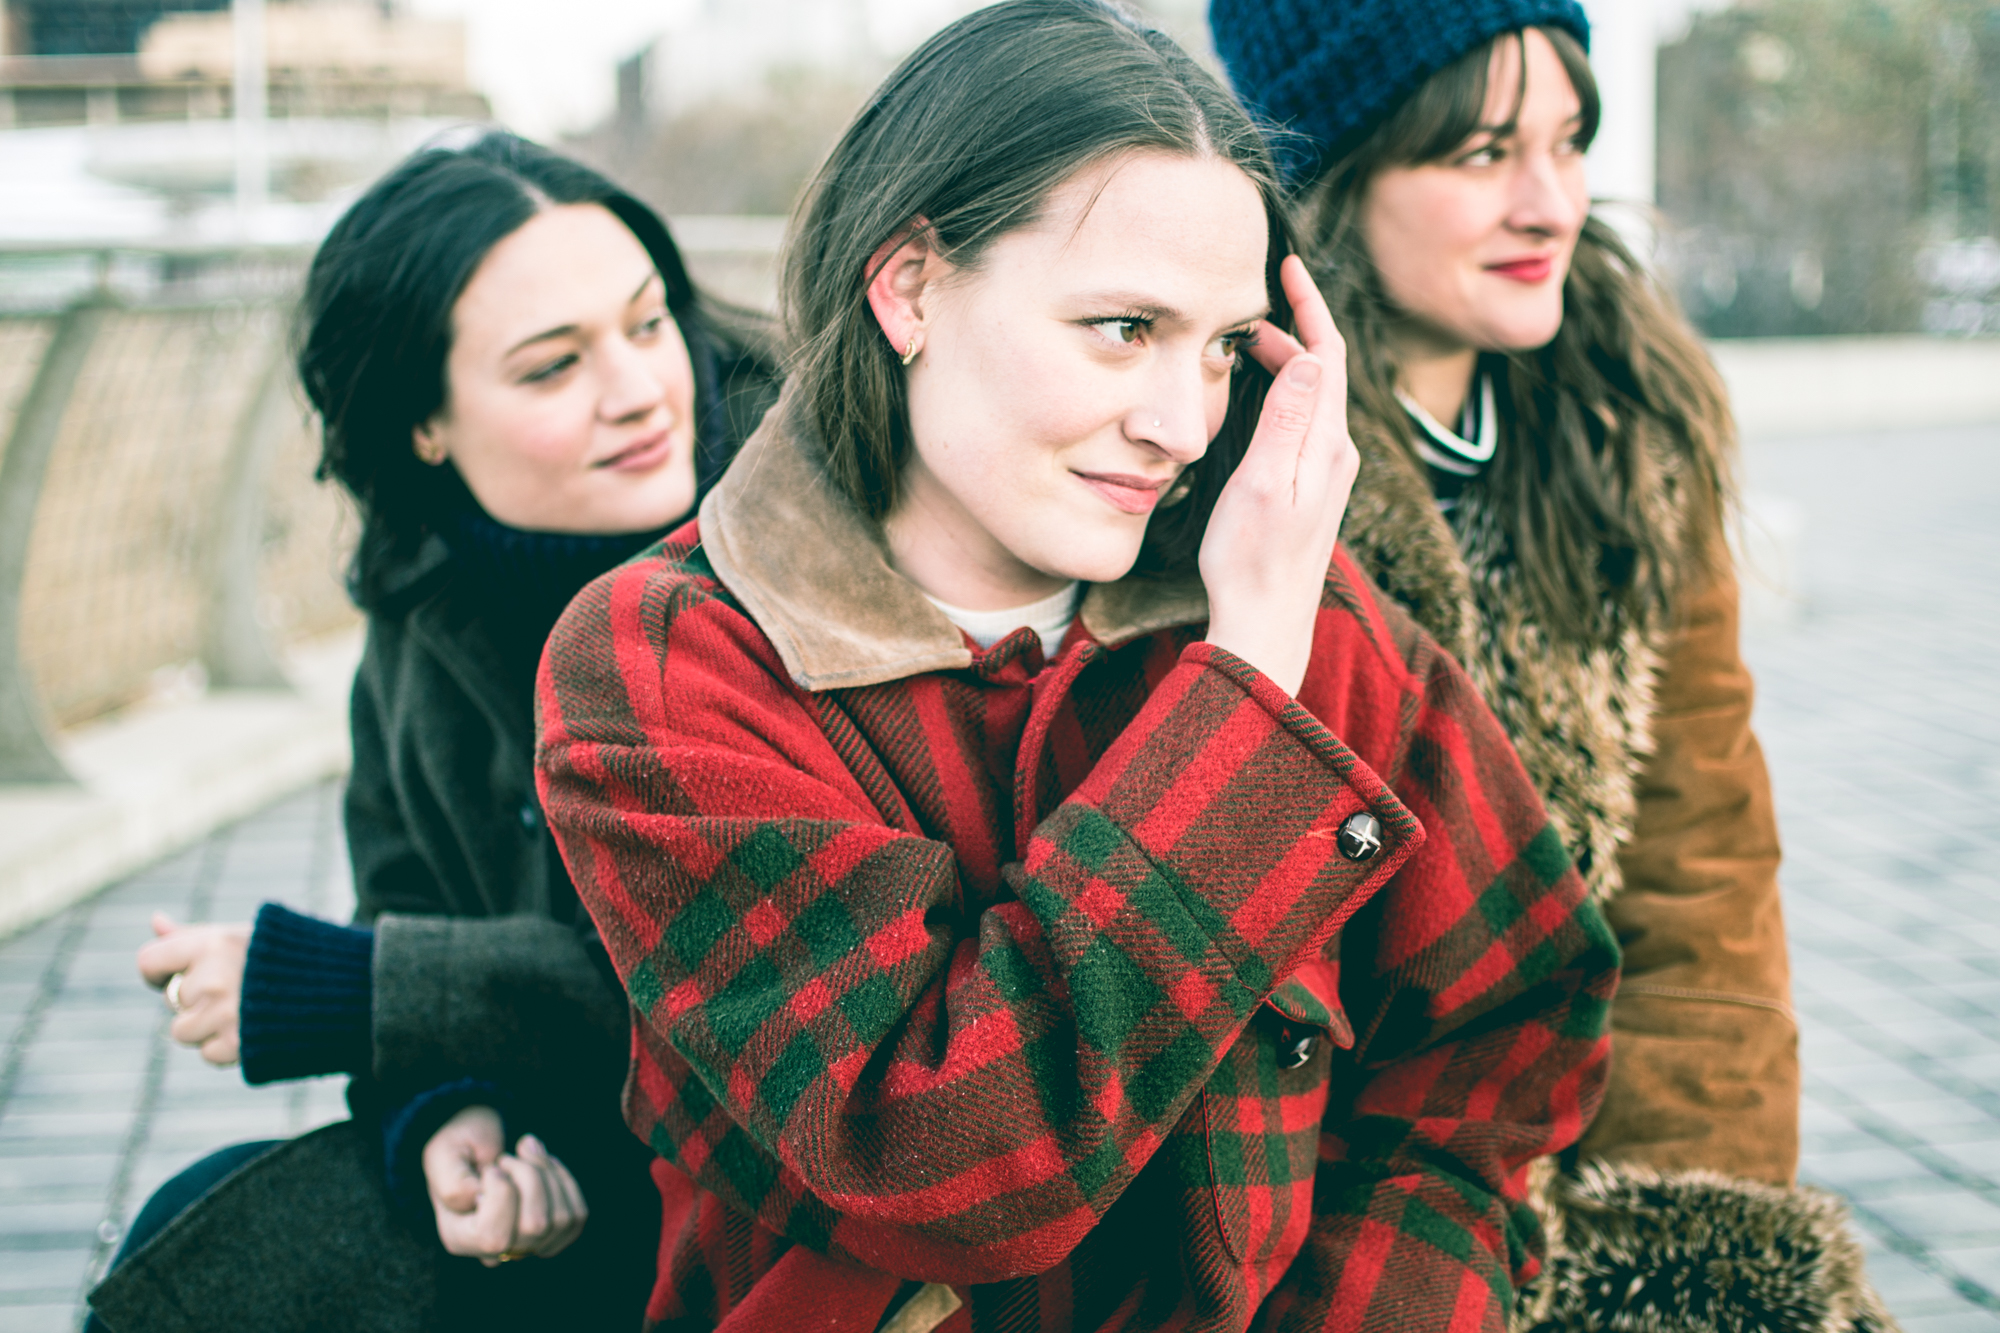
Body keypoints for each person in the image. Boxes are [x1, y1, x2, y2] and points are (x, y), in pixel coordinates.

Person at [534, 4, 1619, 1330]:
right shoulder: (672, 665)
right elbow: (938, 1156)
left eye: (1220, 348)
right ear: (909, 286)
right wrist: (1244, 709)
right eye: (1121, 326)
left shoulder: (1283, 602)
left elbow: (1503, 1032)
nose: (1182, 425)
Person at [1206, 3, 1897, 1330]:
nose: (1550, 203)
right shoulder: (1217, 472)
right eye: (1479, 153)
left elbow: (1699, 887)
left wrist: (1692, 1227)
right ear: (1335, 177)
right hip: (1331, 1221)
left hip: (1600, 1184)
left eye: (1569, 141)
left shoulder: (1621, 433)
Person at [88, 131, 777, 1332]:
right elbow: (403, 891)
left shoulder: (799, 561)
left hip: (769, 1204)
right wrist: (446, 1120)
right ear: (424, 425)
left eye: (649, 322)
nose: (638, 390)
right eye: (552, 367)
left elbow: (743, 996)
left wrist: (354, 988)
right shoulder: (421, 601)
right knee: (200, 1251)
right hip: (566, 1168)